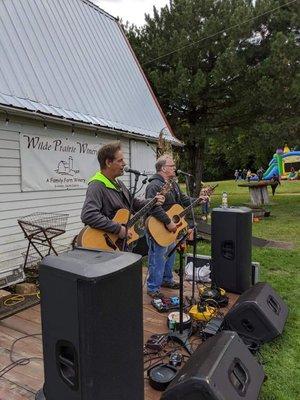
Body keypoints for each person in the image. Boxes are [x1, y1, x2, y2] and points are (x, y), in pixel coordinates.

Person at [145, 154, 209, 298]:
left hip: (171, 228)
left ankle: (167, 280)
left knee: (171, 255)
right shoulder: (153, 185)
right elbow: (152, 207)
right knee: (158, 258)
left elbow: (184, 200)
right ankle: (153, 287)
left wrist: (198, 200)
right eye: (172, 166)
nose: (175, 168)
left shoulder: (173, 184)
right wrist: (168, 222)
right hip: (158, 228)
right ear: (163, 168)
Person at [81, 141, 165, 246]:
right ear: (108, 163)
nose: (124, 164)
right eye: (120, 160)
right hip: (106, 244)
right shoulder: (97, 185)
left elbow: (133, 203)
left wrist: (153, 201)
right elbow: (88, 215)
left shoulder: (118, 183)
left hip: (122, 243)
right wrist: (118, 228)